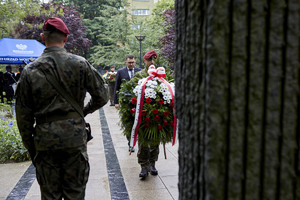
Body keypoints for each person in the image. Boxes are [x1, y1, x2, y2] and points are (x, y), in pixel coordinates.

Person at [15, 17, 108, 200]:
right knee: (75, 194)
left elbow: (23, 117)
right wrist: (84, 111)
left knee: (50, 196)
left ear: (43, 37)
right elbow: (103, 96)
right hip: (74, 140)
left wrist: (32, 149)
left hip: (45, 141)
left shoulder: (30, 71)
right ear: (65, 38)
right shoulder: (80, 63)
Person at [137, 50, 160, 179]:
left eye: (153, 60)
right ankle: (143, 166)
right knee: (143, 142)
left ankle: (152, 164)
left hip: (157, 115)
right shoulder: (140, 75)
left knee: (155, 142)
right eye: (149, 60)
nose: (151, 62)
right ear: (145, 61)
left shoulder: (161, 74)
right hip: (143, 114)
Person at [114, 54, 141, 152]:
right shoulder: (121, 72)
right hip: (126, 103)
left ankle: (139, 142)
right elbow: (116, 87)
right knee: (128, 123)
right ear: (125, 62)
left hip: (138, 101)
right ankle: (131, 144)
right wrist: (116, 102)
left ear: (135, 62)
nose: (131, 64)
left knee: (138, 122)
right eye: (129, 62)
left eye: (132, 62)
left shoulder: (140, 71)